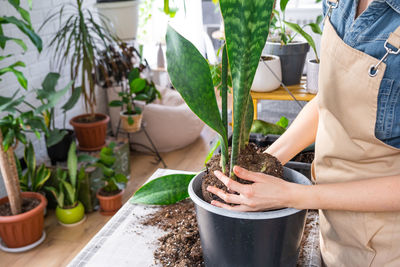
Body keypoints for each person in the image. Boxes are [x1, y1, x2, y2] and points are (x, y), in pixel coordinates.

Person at [207, 0, 400, 266]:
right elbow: (329, 103)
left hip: (385, 247)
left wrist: (295, 195)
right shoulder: (338, 3)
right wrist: (266, 163)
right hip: (332, 226)